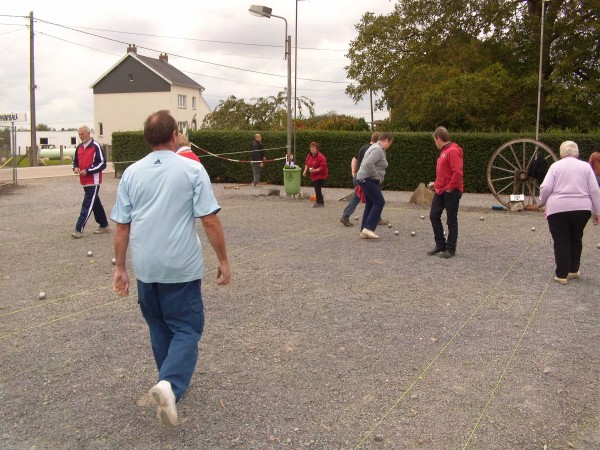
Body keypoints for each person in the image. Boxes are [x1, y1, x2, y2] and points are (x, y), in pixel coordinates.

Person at [111, 110, 232, 426]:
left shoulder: (131, 174)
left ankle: (168, 382)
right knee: (187, 327)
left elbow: (122, 228)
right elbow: (209, 219)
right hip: (181, 267)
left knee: (159, 325)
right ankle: (169, 385)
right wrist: (223, 260)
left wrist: (120, 269)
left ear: (147, 138)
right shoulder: (192, 169)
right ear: (175, 134)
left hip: (146, 267)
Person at [539, 140, 600, 284]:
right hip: (582, 208)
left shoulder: (555, 166)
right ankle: (573, 270)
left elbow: (546, 187)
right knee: (576, 237)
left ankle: (561, 275)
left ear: (561, 153)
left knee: (561, 240)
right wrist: (597, 211)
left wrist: (542, 201)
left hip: (558, 208)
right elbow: (594, 190)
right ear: (577, 153)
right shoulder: (585, 167)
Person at [427, 127, 464, 258]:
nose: (434, 143)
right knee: (434, 215)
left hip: (451, 191)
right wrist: (436, 184)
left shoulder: (453, 151)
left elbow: (457, 172)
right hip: (441, 189)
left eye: (434, 140)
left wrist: (450, 188)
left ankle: (451, 249)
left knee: (451, 220)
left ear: (438, 138)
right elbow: (444, 173)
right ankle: (440, 244)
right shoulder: (445, 151)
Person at [340, 133, 388, 227]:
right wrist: (375, 176)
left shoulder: (363, 148)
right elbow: (370, 163)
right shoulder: (375, 149)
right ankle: (345, 216)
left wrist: (353, 171)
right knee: (358, 197)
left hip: (358, 175)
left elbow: (354, 159)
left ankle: (377, 219)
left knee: (372, 198)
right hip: (366, 178)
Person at [71, 125, 110, 238]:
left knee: (87, 204)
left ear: (88, 133)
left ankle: (79, 229)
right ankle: (104, 225)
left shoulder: (96, 146)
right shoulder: (79, 147)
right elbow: (75, 161)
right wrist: (75, 168)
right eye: (79, 134)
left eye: (82, 134)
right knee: (95, 203)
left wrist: (88, 171)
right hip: (84, 181)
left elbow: (102, 164)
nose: (80, 136)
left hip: (93, 181)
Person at [356, 132, 393, 238]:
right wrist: (375, 176)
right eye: (389, 143)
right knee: (379, 201)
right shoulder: (377, 149)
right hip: (368, 179)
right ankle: (369, 228)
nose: (389, 145)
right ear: (386, 140)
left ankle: (363, 231)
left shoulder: (376, 147)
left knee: (370, 204)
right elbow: (369, 163)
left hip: (363, 178)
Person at [302, 141, 328, 207]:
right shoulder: (309, 155)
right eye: (311, 147)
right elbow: (307, 164)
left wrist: (315, 170)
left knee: (317, 187)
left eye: (313, 148)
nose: (312, 149)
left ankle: (319, 202)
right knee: (317, 188)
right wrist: (305, 171)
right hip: (313, 174)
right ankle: (320, 202)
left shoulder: (321, 157)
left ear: (317, 149)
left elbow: (322, 167)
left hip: (321, 175)